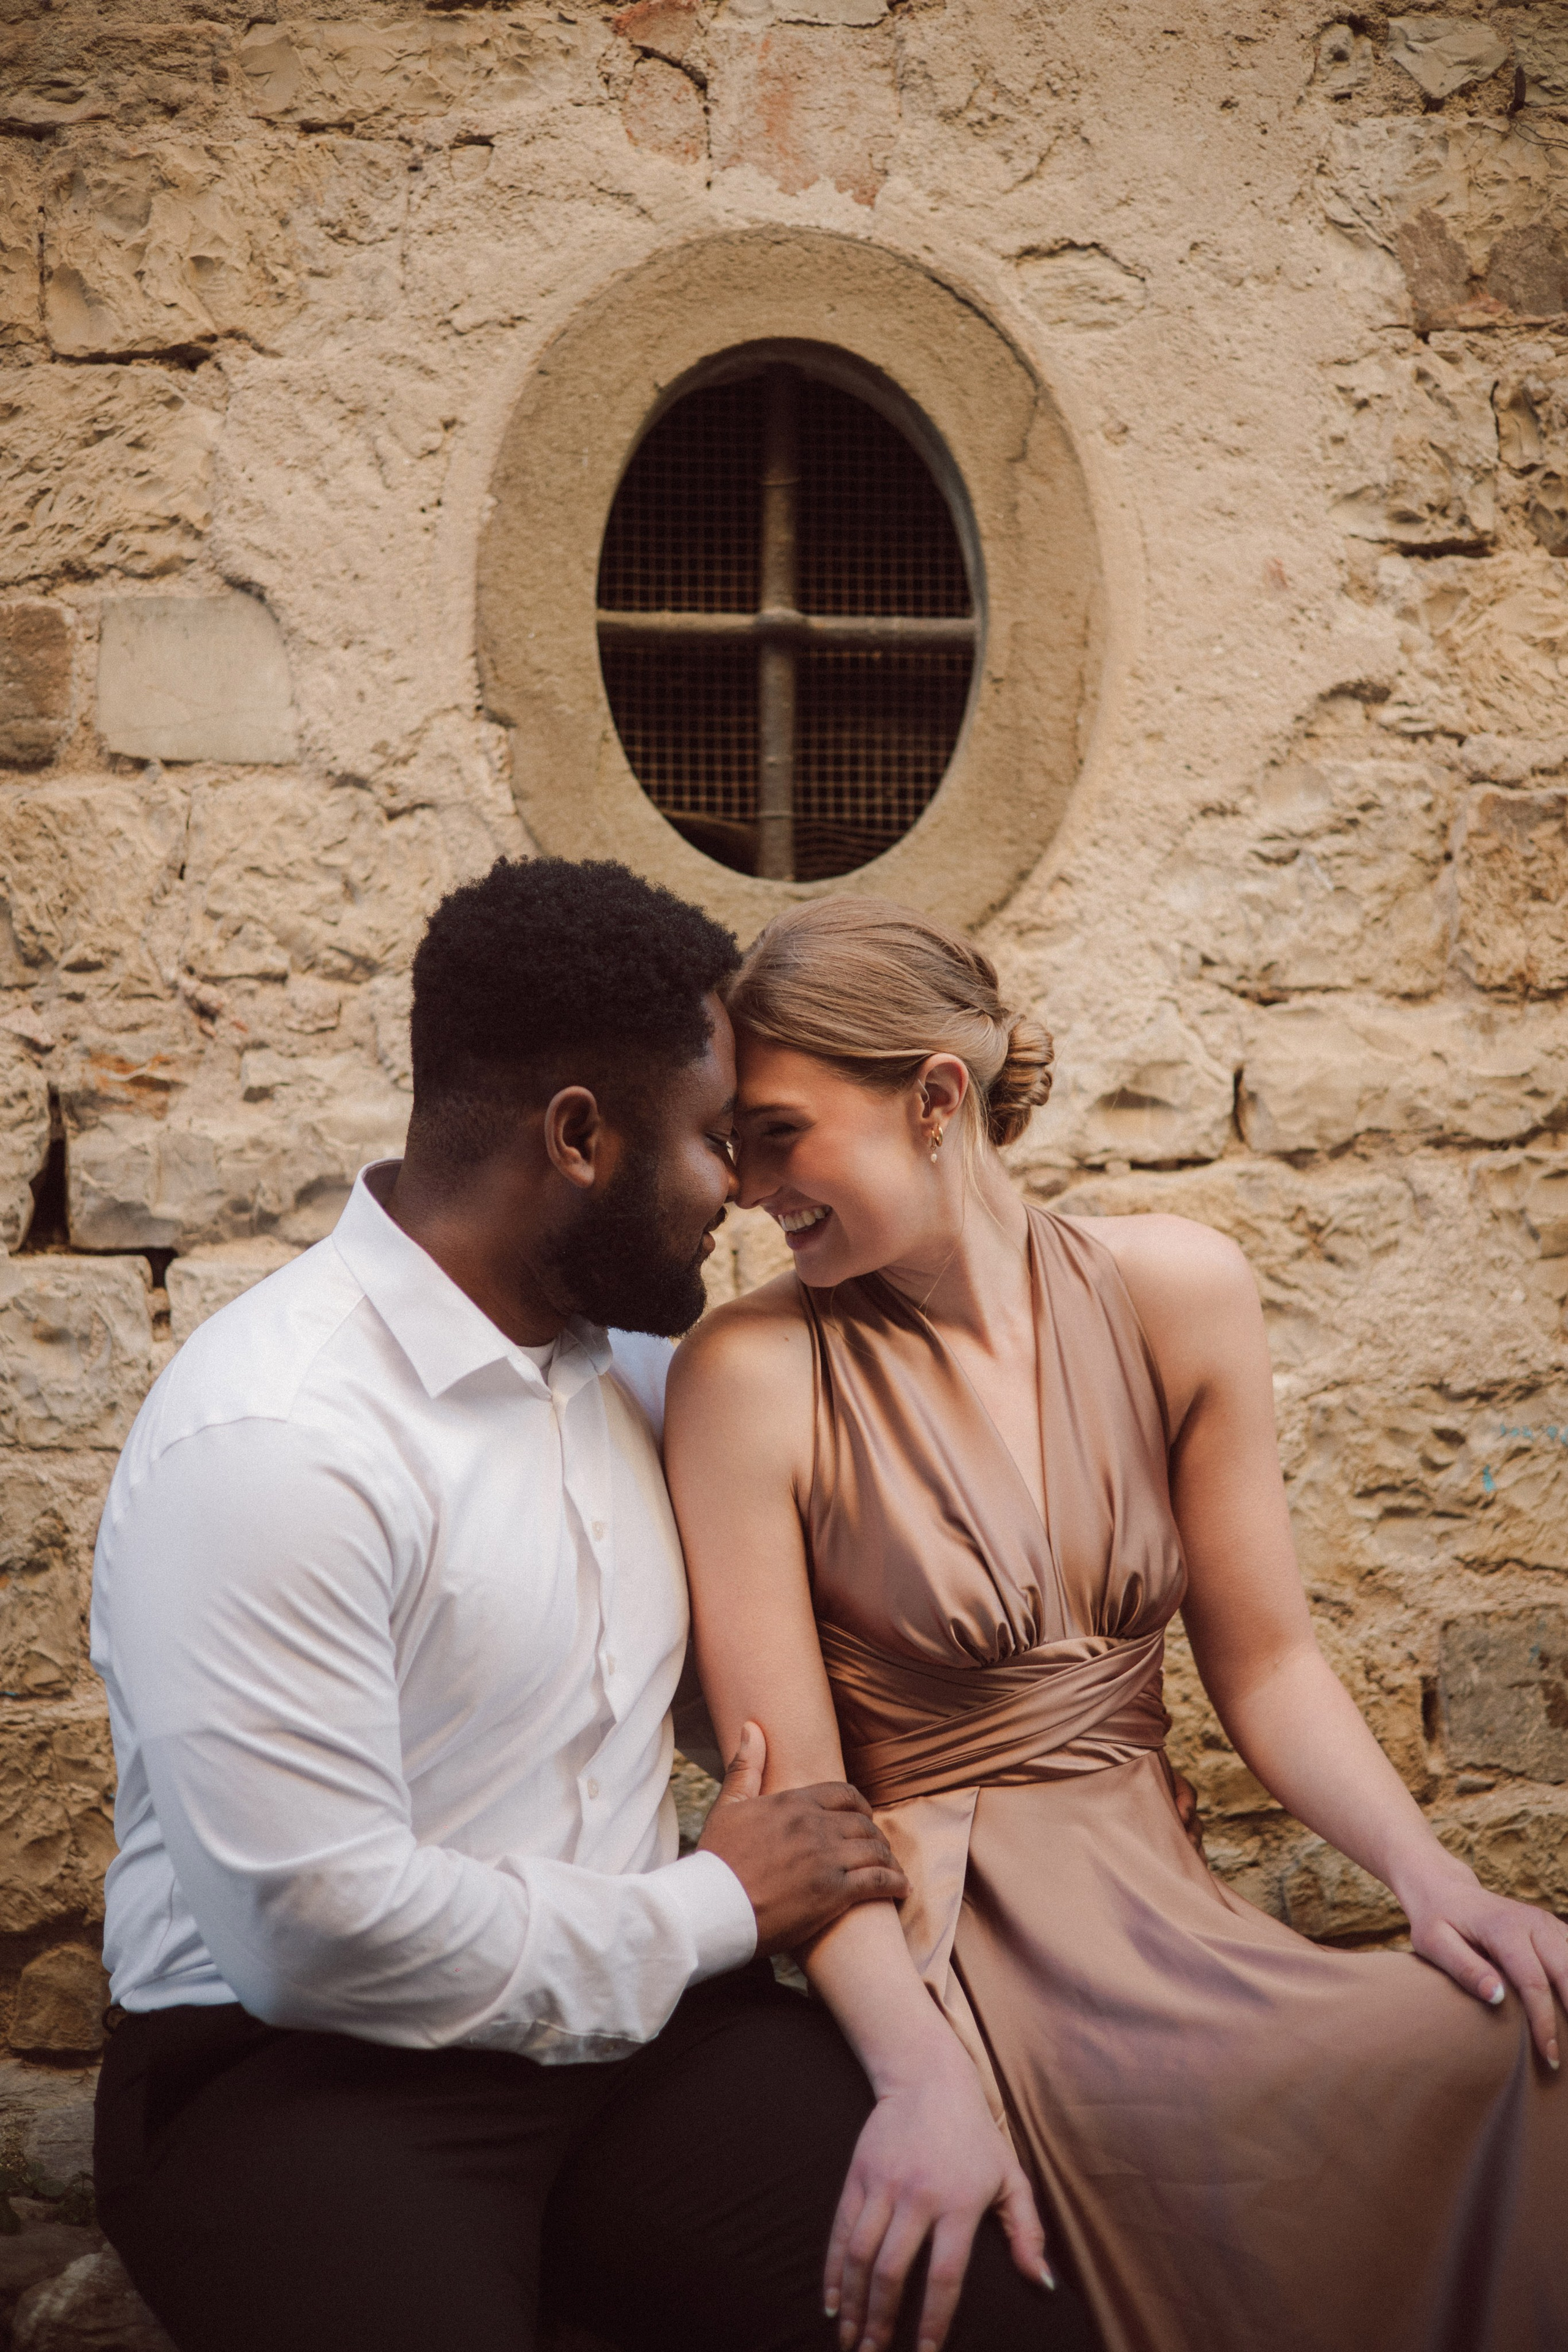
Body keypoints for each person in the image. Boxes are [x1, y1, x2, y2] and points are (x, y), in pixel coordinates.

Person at [89, 861, 1095, 2352]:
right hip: (300, 2071)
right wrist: (715, 1904)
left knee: (999, 2314)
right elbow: (314, 1932)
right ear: (577, 1137)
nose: (739, 1189)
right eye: (710, 1138)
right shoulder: (275, 1438)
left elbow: (798, 1677)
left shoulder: (642, 1374)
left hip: (654, 2047)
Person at [665, 894, 1568, 2352]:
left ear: (935, 1098)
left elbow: (1266, 1662)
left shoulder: (1177, 1292)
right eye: (733, 1141)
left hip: (1172, 1906)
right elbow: (797, 1804)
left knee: (1520, 2035)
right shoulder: (745, 1376)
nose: (746, 1185)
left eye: (777, 1134)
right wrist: (913, 2072)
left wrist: (1431, 1878)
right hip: (955, 1954)